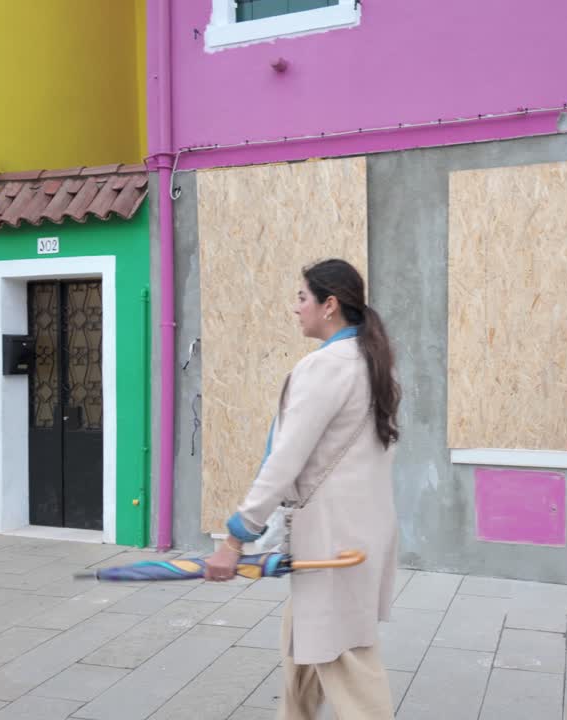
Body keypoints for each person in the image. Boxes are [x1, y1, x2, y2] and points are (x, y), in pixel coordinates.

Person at [204, 258, 400, 719]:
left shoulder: (325, 368)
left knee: (346, 661)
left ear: (329, 305)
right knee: (302, 652)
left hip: (333, 542)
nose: (296, 308)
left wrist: (235, 538)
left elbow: (284, 463)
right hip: (359, 533)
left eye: (301, 298)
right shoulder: (375, 364)